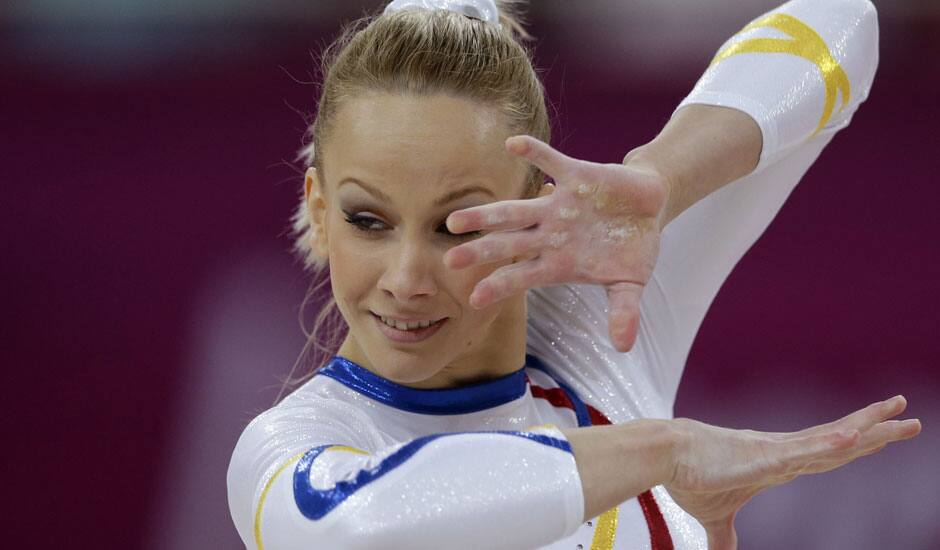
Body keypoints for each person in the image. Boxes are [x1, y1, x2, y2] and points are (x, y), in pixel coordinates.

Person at [227, 0, 921, 548]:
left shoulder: (594, 330)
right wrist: (663, 451)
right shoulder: (291, 449)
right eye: (368, 221)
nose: (406, 279)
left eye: (456, 225)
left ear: (536, 208)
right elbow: (353, 527)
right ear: (318, 210)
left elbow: (843, 27)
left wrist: (660, 176)